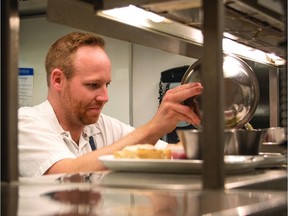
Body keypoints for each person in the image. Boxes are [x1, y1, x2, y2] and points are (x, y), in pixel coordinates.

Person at [18, 32, 203, 177]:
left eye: (107, 85)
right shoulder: (26, 123)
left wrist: (211, 131)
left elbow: (165, 152)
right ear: (58, 80)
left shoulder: (100, 127)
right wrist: (154, 127)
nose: (104, 97)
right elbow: (66, 174)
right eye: (93, 85)